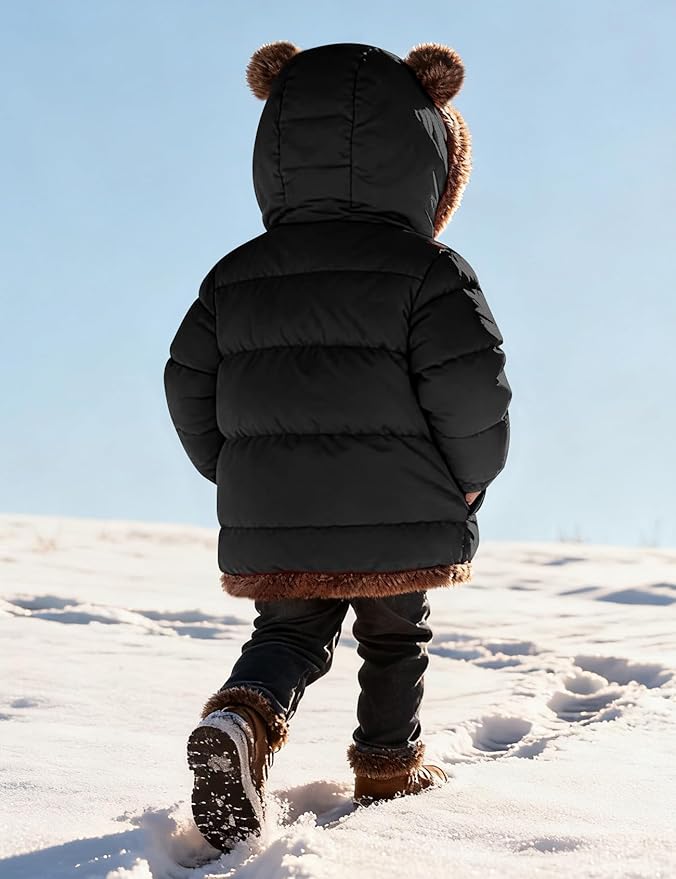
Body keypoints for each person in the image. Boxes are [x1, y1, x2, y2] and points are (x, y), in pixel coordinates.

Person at [164, 40, 512, 854]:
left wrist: (240, 471)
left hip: (278, 505)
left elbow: (187, 383)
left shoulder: (234, 275)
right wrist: (469, 480)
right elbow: (472, 387)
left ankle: (242, 716)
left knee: (288, 635)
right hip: (405, 499)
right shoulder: (429, 270)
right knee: (396, 634)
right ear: (427, 158)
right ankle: (389, 765)